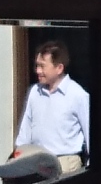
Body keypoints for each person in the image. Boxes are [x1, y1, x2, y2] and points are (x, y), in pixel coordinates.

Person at [13, 37, 92, 170]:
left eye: (42, 66)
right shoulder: (35, 92)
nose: (38, 71)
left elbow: (90, 134)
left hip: (65, 163)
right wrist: (18, 157)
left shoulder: (78, 95)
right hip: (36, 163)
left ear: (59, 68)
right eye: (37, 65)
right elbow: (25, 130)